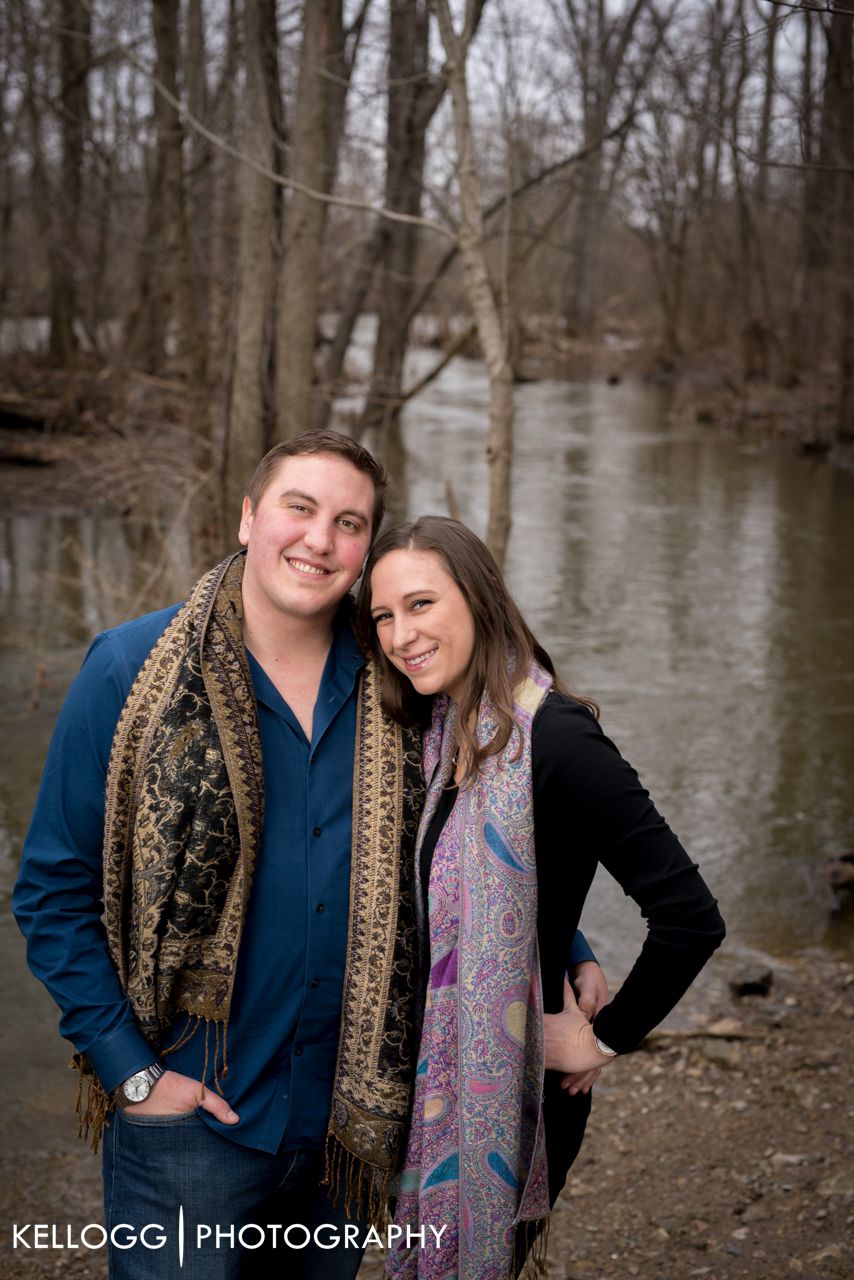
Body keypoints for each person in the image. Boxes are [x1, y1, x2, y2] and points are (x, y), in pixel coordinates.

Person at [13, 432, 603, 1280]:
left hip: (352, 1122)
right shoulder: (129, 669)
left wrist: (568, 945)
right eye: (300, 508)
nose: (320, 539)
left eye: (350, 522)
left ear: (367, 550)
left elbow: (471, 838)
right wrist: (131, 1074)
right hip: (192, 1118)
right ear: (250, 517)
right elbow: (52, 890)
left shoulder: (399, 680)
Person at [356, 515, 727, 1280]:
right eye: (385, 616)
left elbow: (690, 918)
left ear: (480, 598)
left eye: (421, 604)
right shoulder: (439, 727)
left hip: (519, 1097)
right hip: (435, 1081)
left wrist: (602, 1038)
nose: (400, 635)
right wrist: (575, 945)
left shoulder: (555, 737)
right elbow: (488, 878)